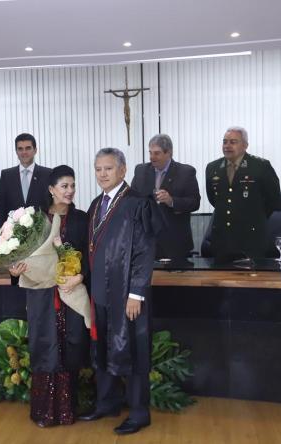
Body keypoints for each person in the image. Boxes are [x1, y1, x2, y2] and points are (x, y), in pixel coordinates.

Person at [79, 148, 159, 435]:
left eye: (108, 169)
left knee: (134, 351)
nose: (102, 174)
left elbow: (145, 251)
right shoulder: (95, 204)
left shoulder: (138, 204)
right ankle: (106, 403)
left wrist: (137, 292)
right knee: (102, 347)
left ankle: (139, 413)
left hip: (127, 294)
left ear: (123, 171)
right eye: (98, 168)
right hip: (100, 292)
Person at [8, 165, 90, 428]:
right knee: (44, 347)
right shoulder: (35, 220)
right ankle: (44, 411)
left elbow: (90, 256)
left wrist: (81, 276)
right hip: (42, 296)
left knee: (69, 347)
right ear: (51, 189)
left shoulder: (81, 219)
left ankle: (67, 410)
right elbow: (21, 254)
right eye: (64, 186)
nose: (70, 191)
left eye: (73, 186)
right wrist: (13, 268)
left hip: (71, 293)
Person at [205, 126, 281, 260]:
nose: (227, 146)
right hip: (222, 240)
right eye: (225, 142)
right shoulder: (212, 168)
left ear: (245, 145)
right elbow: (214, 199)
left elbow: (274, 200)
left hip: (251, 239)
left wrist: (254, 217)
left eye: (233, 142)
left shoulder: (261, 166)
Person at [131, 133, 201, 260]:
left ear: (169, 153)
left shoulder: (186, 172)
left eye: (157, 153)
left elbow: (195, 202)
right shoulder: (141, 170)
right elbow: (131, 199)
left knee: (176, 280)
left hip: (175, 243)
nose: (152, 157)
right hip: (146, 242)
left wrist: (172, 201)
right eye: (150, 152)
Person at [0, 133, 52, 227]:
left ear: (35, 150)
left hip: (41, 233)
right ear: (16, 151)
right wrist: (0, 232)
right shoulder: (6, 175)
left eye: (28, 148)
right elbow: (0, 207)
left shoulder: (47, 174)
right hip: (13, 235)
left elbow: (51, 205)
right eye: (20, 149)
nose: (24, 152)